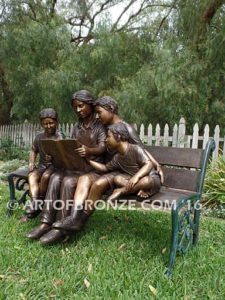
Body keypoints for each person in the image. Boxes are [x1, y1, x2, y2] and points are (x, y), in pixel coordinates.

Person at [53, 96, 162, 232]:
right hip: (112, 168)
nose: (97, 117)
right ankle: (75, 219)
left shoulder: (125, 129)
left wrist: (156, 164)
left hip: (125, 172)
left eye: (99, 112)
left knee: (99, 183)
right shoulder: (105, 126)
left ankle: (79, 219)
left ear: (111, 109)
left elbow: (140, 149)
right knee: (86, 179)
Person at [26, 90, 106, 244]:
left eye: (81, 106)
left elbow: (103, 147)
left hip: (93, 170)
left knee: (68, 182)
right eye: (75, 107)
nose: (78, 110)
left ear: (90, 104)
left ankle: (62, 228)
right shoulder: (77, 127)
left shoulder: (99, 126)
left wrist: (89, 151)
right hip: (77, 167)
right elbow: (72, 147)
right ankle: (45, 222)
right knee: (56, 177)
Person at [25, 108, 63, 219]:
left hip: (55, 167)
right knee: (32, 176)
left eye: (51, 123)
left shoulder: (59, 137)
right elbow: (33, 150)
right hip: (42, 166)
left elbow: (63, 154)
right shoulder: (39, 137)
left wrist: (54, 156)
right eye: (45, 123)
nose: (48, 126)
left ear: (56, 122)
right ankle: (35, 202)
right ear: (41, 124)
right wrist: (31, 162)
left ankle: (41, 202)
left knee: (46, 176)